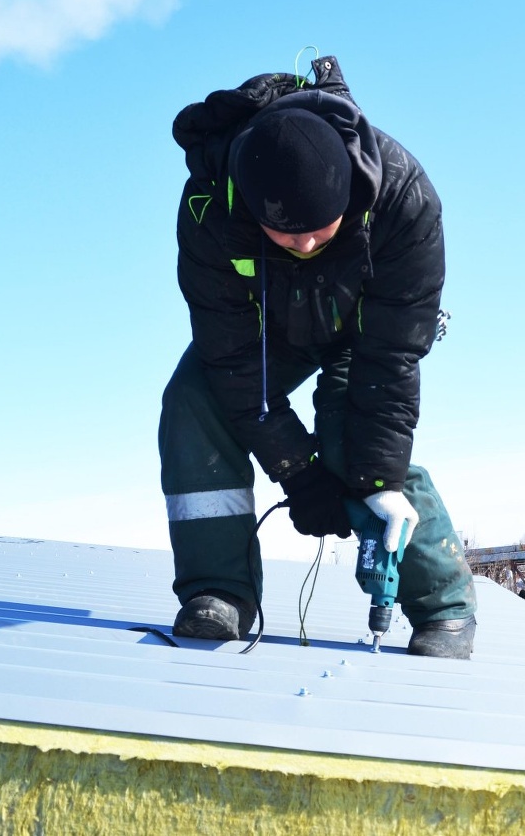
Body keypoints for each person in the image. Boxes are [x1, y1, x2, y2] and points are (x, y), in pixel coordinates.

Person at [158, 56, 477, 658]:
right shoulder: (209, 208)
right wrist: (296, 471)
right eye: (285, 233)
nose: (304, 244)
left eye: (319, 230)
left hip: (369, 328)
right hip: (266, 328)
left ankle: (444, 607)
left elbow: (391, 362)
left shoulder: (403, 195)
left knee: (354, 441)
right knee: (193, 398)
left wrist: (375, 479)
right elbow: (230, 360)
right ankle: (218, 591)